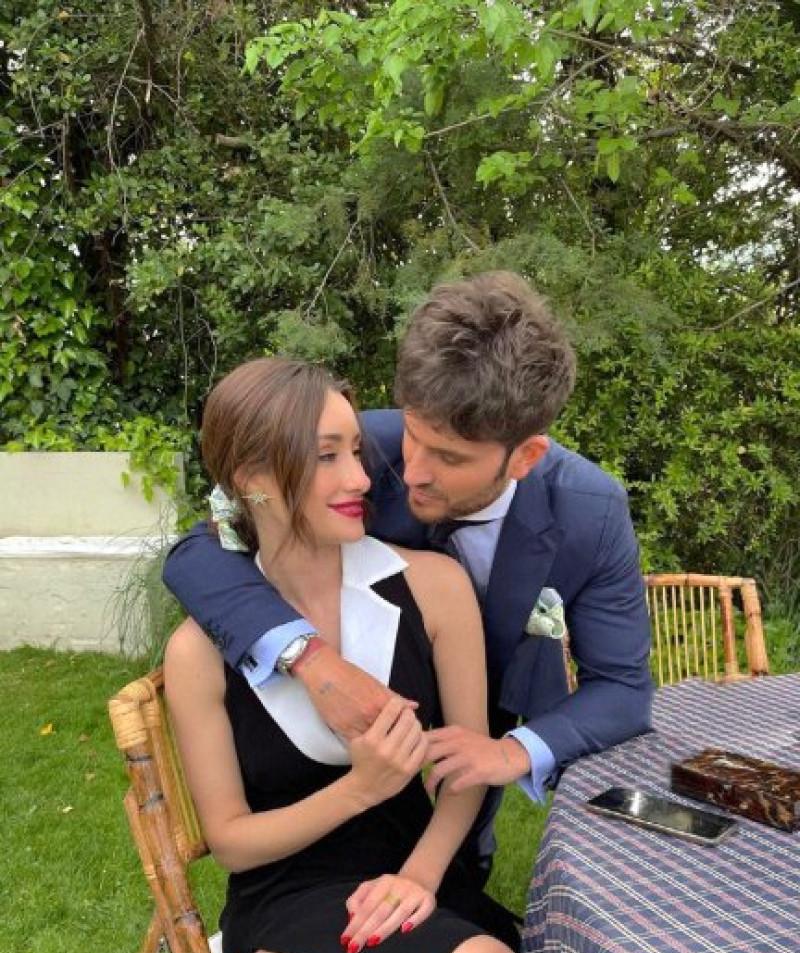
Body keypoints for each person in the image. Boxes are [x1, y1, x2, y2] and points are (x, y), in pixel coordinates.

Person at [163, 271, 654, 879]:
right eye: (414, 435)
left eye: (449, 458)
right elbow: (199, 547)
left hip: (475, 745)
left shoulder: (590, 513)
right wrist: (311, 659)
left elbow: (623, 690)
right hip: (325, 779)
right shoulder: (360, 446)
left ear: (525, 456)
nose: (408, 472)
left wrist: (512, 751)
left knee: (465, 893)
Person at [164, 356, 540, 953]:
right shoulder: (198, 653)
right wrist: (362, 788)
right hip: (286, 915)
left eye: (356, 452)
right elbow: (233, 843)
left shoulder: (434, 588)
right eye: (325, 457)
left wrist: (420, 876)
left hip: (422, 878)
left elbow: (462, 770)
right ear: (252, 478)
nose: (363, 479)